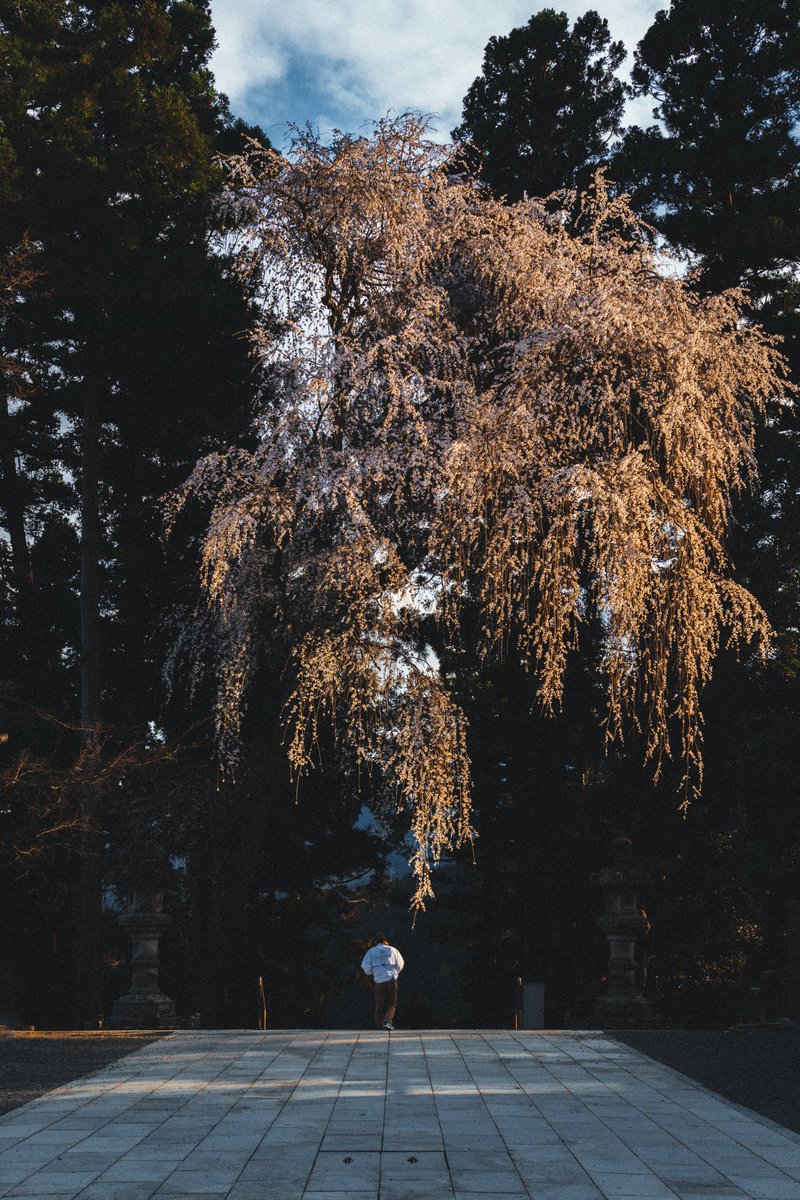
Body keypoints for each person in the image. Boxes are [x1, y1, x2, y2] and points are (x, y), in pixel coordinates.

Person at [361, 937, 404, 1030]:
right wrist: (395, 972)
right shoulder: (393, 950)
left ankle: (379, 1026)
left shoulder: (371, 952)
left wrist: (373, 973)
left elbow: (365, 966)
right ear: (386, 942)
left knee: (379, 1004)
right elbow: (400, 964)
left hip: (378, 981)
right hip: (391, 979)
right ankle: (387, 1021)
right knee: (392, 1002)